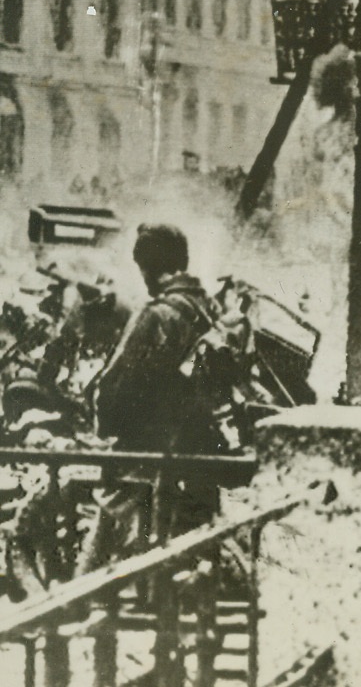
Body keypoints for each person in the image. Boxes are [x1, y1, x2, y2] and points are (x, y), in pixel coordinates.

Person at [79, 224, 220, 571]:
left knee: (104, 554)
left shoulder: (156, 314)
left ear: (148, 268)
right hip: (199, 458)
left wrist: (106, 428)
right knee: (195, 550)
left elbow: (112, 389)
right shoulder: (211, 310)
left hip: (145, 459)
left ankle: (81, 607)